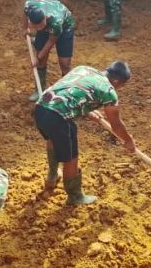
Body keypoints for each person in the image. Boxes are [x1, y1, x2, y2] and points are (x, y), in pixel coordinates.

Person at [34, 62, 135, 204]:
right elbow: (116, 125)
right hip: (59, 117)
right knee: (71, 157)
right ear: (116, 81)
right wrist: (128, 140)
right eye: (121, 86)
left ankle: (52, 176)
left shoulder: (84, 69)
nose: (118, 89)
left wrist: (87, 110)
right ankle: (75, 196)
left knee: (52, 138)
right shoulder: (108, 91)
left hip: (41, 107)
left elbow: (70, 91)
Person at [24, 0, 75, 102]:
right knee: (41, 62)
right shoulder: (28, 7)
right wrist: (25, 28)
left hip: (65, 27)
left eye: (40, 25)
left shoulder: (56, 21)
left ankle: (66, 93)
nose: (38, 28)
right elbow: (24, 14)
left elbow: (51, 42)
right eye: (35, 26)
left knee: (65, 63)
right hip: (48, 27)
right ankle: (39, 90)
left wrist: (38, 57)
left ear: (45, 18)